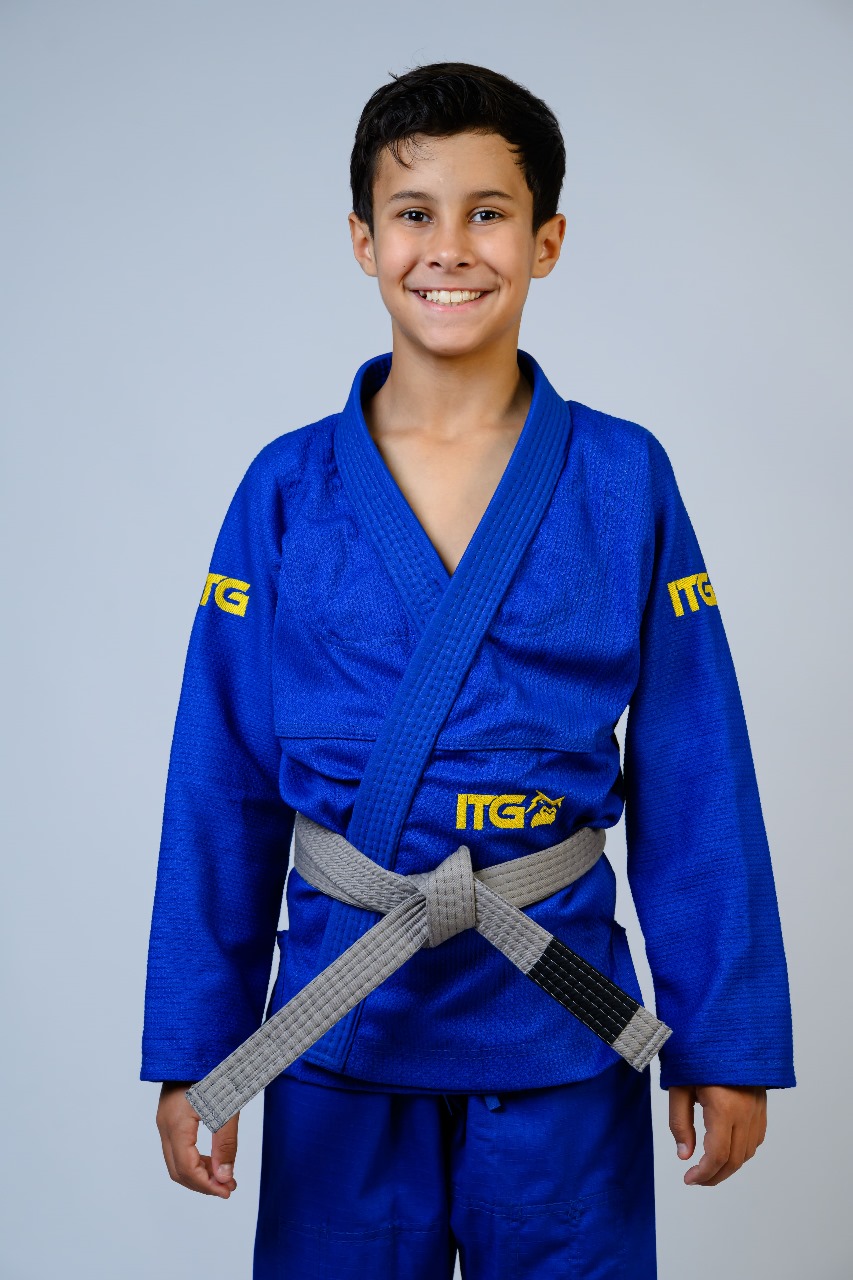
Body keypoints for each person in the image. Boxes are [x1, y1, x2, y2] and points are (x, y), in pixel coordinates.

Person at [141, 62, 795, 1278]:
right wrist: (195, 1044)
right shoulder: (285, 489)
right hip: (343, 1018)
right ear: (363, 239)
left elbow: (695, 769)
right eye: (414, 212)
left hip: (557, 1015)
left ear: (546, 240)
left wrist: (726, 1041)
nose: (449, 247)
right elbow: (218, 780)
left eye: (488, 212)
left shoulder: (622, 477)